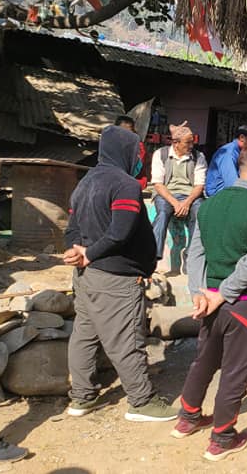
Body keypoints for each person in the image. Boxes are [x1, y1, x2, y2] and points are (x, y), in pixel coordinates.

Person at [173, 143, 247, 461]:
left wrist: (199, 292)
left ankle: (188, 417)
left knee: (205, 360)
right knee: (237, 370)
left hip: (211, 299)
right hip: (245, 300)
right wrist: (224, 293)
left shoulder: (209, 204)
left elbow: (196, 252)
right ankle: (222, 438)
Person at [63, 126, 176, 422]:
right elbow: (120, 231)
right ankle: (142, 401)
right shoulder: (125, 184)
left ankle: (82, 397)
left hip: (87, 276)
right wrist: (90, 253)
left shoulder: (86, 182)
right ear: (126, 152)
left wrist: (76, 251)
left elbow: (71, 228)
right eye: (138, 152)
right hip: (114, 277)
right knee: (126, 340)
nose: (140, 159)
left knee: (85, 335)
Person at [150, 121, 207, 261]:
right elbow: (158, 184)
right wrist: (175, 203)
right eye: (188, 143)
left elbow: (199, 185)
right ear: (176, 143)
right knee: (162, 214)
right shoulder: (160, 154)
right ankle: (154, 254)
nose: (191, 146)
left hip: (190, 196)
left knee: (199, 214)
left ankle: (191, 255)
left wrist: (186, 203)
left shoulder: (198, 157)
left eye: (192, 142)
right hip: (166, 194)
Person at [205, 124, 247, 198]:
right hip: (218, 195)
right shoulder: (228, 153)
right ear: (242, 137)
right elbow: (231, 184)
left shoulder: (241, 151)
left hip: (230, 192)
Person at [115, 115, 147, 190]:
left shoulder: (138, 146)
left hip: (134, 180)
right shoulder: (110, 143)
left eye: (129, 132)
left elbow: (137, 167)